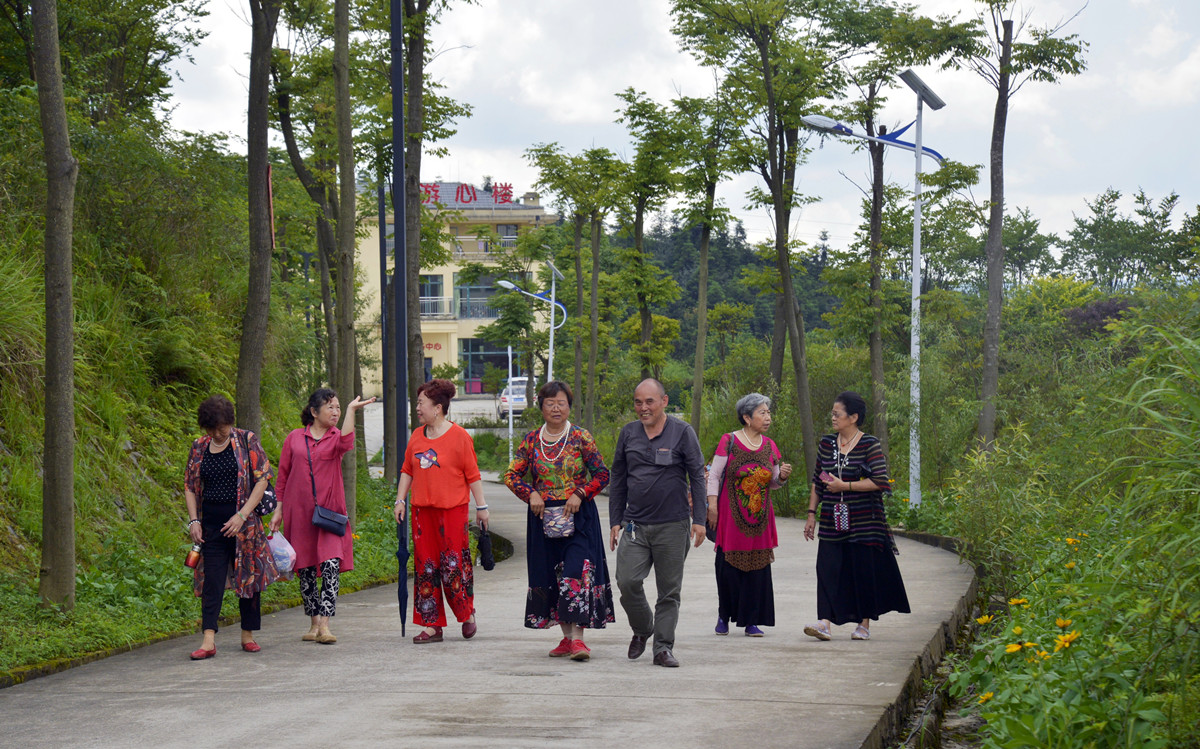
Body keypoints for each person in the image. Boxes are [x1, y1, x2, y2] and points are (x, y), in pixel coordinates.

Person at [503, 381, 614, 661]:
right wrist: (531, 494)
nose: (556, 408)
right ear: (541, 406)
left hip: (578, 517)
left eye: (561, 403)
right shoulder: (531, 440)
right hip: (543, 518)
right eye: (550, 403)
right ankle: (566, 638)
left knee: (575, 571)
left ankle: (579, 640)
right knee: (552, 575)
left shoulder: (580, 437)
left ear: (569, 406)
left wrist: (580, 493)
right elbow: (511, 475)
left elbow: (602, 474)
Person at [609, 378, 707, 668]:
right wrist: (616, 519)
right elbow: (618, 479)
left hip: (673, 525)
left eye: (649, 401)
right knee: (627, 581)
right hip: (635, 524)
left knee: (669, 591)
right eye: (638, 402)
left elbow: (697, 476)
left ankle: (663, 647)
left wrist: (700, 520)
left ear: (664, 401)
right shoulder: (628, 434)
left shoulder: (682, 432)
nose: (643, 408)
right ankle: (643, 628)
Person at [803, 391, 910, 641]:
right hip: (831, 519)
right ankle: (824, 623)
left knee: (861, 571)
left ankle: (863, 625)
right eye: (832, 413)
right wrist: (811, 514)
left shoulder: (869, 444)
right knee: (827, 568)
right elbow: (818, 480)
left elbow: (879, 481)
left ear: (853, 417)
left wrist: (846, 486)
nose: (833, 417)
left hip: (864, 521)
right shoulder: (827, 444)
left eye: (837, 414)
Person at [271, 388, 375, 645]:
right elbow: (282, 476)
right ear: (314, 411)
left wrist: (351, 410)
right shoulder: (294, 438)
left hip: (329, 514)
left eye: (338, 407)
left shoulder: (336, 438)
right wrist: (278, 509)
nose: (335, 411)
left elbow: (348, 440)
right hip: (299, 513)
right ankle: (314, 623)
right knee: (305, 568)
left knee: (330, 566)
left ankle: (326, 625)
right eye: (330, 407)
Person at [183, 395, 280, 659]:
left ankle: (248, 634)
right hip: (211, 526)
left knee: (248, 579)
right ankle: (208, 639)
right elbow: (190, 486)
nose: (216, 433)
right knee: (210, 581)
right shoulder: (199, 447)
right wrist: (194, 520)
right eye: (211, 429)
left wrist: (242, 514)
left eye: (221, 428)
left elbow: (262, 479)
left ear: (230, 422)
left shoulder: (246, 440)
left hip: (244, 526)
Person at [393, 379, 490, 644]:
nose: (417, 408)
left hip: (452, 513)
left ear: (437, 408)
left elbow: (473, 475)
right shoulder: (416, 435)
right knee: (426, 568)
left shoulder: (460, 437)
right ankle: (432, 625)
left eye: (421, 403)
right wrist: (400, 500)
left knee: (452, 567)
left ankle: (466, 613)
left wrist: (482, 507)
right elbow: (407, 470)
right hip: (422, 513)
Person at [705, 393, 792, 637]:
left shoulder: (770, 446)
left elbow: (773, 482)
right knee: (728, 569)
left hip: (761, 518)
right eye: (762, 413)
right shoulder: (729, 440)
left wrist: (782, 477)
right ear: (746, 417)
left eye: (768, 413)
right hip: (731, 515)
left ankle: (752, 620)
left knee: (758, 569)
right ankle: (724, 615)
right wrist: (712, 506)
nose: (767, 418)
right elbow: (714, 475)